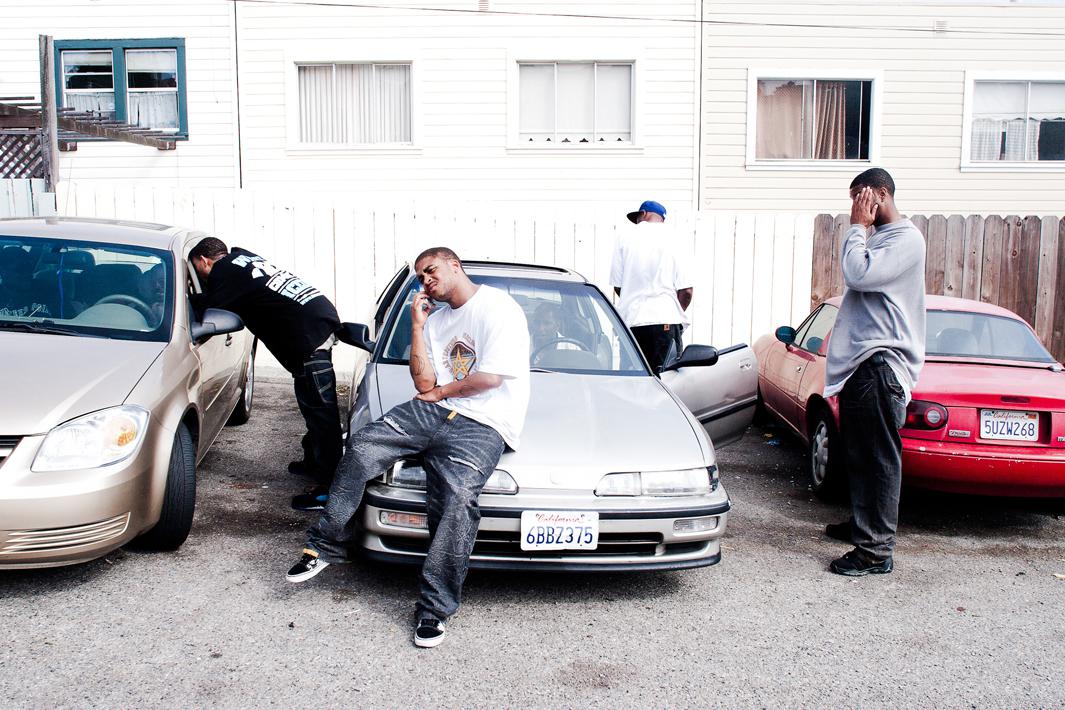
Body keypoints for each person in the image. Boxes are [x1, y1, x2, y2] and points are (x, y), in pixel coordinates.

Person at [285, 247, 530, 649]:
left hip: (484, 423)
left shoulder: (498, 308)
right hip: (433, 409)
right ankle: (326, 546)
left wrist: (442, 393)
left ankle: (434, 610)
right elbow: (422, 383)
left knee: (456, 498)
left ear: (455, 265)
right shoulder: (437, 320)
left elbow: (489, 379)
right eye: (419, 276)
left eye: (430, 270)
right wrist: (418, 326)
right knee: (361, 446)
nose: (425, 281)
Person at [822, 168, 926, 576]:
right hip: (863, 366)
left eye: (859, 198)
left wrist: (856, 228)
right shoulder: (879, 239)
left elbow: (858, 274)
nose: (854, 208)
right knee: (860, 456)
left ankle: (875, 551)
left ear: (880, 194)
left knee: (880, 459)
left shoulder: (906, 239)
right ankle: (865, 527)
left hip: (881, 366)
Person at [188, 238, 343, 511]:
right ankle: (313, 461)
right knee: (312, 406)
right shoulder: (242, 258)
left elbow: (209, 306)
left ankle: (328, 490)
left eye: (197, 270)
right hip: (316, 321)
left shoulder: (224, 271)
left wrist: (187, 296)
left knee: (322, 414)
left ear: (203, 261)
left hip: (309, 337)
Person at [610, 200, 693, 372]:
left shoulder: (623, 236)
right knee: (667, 383)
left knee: (632, 383)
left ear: (644, 213)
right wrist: (673, 312)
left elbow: (618, 286)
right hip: (665, 320)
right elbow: (686, 291)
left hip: (632, 322)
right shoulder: (674, 236)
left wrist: (633, 298)